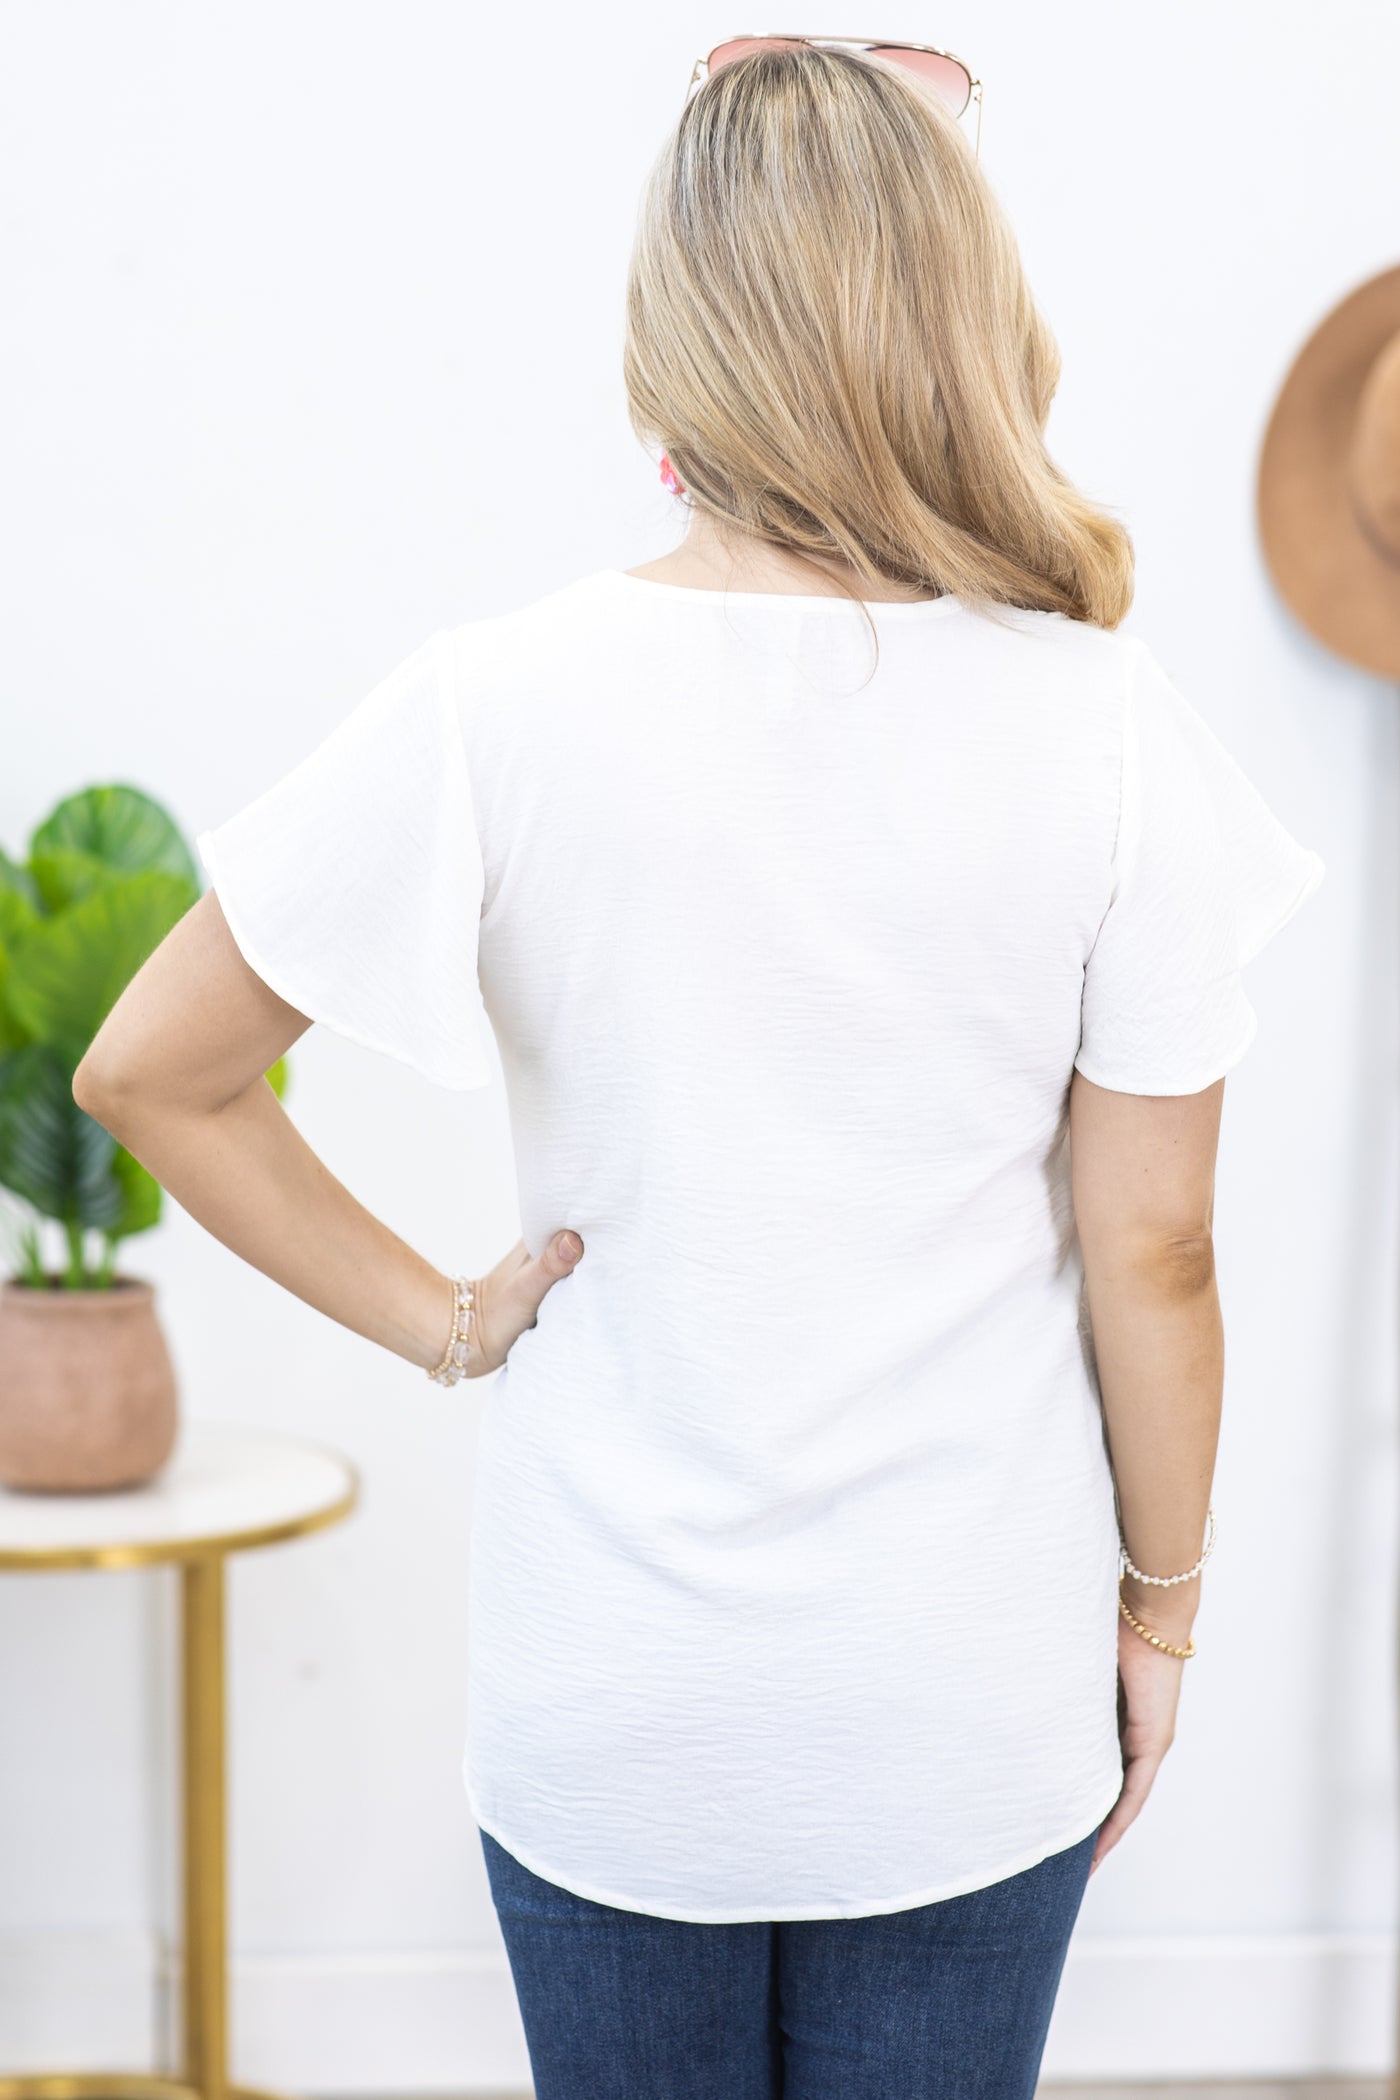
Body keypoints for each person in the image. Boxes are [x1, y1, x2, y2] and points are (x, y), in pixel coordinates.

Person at [74, 37, 1326, 2100]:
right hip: (958, 1702)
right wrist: (1161, 1615)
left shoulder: (496, 703)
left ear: (679, 320)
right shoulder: (1107, 728)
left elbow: (152, 1070)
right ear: (958, 307)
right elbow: (1158, 1252)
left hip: (613, 1702)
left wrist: (450, 1321)